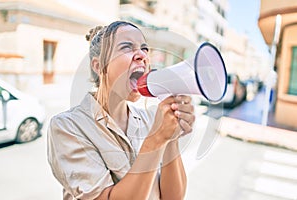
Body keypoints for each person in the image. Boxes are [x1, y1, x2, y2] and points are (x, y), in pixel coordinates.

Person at [47, 20, 195, 200]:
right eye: (126, 47)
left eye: (145, 48)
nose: (142, 55)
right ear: (99, 66)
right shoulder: (68, 126)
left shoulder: (150, 119)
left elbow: (172, 197)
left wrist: (171, 138)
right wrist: (156, 140)